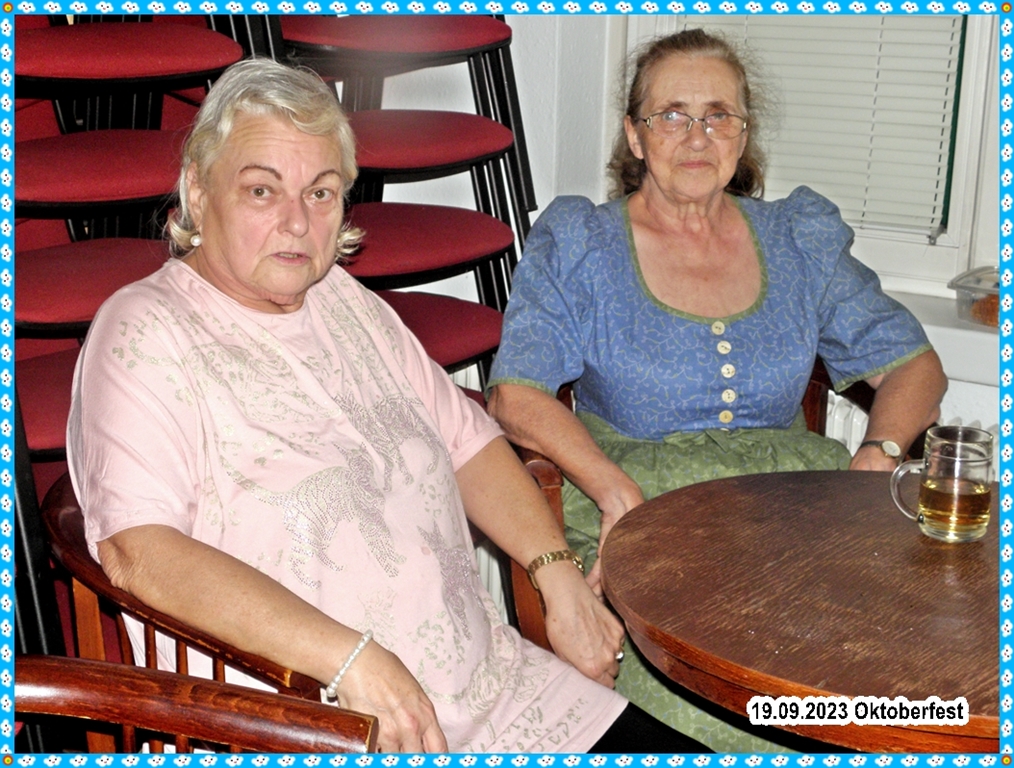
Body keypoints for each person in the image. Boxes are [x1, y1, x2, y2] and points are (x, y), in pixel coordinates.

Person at [66, 58, 711, 754]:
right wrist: (352, 660)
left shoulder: (345, 301)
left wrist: (555, 571)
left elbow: (468, 444)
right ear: (198, 189)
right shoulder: (144, 331)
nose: (296, 223)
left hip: (500, 695)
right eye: (261, 190)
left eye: (321, 192)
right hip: (307, 721)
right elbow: (140, 551)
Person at [485, 29, 947, 752]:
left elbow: (915, 367)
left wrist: (876, 459)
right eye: (671, 114)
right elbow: (516, 395)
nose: (696, 135)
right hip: (648, 520)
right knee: (731, 705)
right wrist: (612, 488)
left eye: (718, 115)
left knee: (897, 680)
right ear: (635, 135)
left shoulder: (796, 237)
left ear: (743, 134)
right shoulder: (581, 243)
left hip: (798, 513)